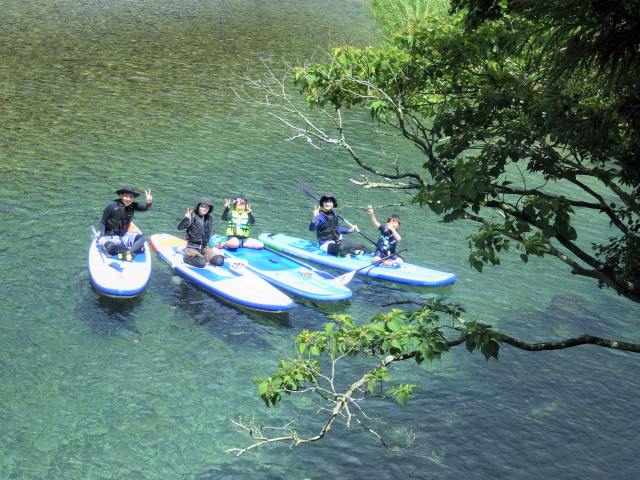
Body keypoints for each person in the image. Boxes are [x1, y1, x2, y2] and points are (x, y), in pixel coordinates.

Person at [98, 185, 153, 260]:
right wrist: (101, 237)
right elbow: (102, 223)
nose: (128, 199)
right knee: (110, 247)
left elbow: (146, 208)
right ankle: (131, 250)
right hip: (110, 236)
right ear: (121, 196)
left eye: (131, 197)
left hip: (124, 235)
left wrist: (149, 202)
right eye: (126, 196)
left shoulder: (133, 205)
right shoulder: (111, 206)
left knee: (142, 238)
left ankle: (128, 252)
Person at [177, 197, 225, 268]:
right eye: (202, 206)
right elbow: (180, 228)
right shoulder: (192, 216)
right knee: (201, 263)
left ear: (209, 209)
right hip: (192, 248)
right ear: (198, 207)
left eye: (206, 207)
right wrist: (186, 219)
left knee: (219, 261)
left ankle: (203, 256)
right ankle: (186, 257)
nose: (204, 209)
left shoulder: (209, 218)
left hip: (204, 248)